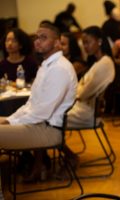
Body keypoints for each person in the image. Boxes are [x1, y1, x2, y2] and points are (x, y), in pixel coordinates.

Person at [0, 23, 77, 181]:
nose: (37, 41)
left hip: (47, 130)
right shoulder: (46, 66)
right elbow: (31, 104)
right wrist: (8, 119)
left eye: (43, 37)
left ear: (56, 43)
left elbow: (41, 113)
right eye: (36, 37)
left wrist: (11, 122)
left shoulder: (59, 69)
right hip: (39, 124)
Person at [60, 26, 115, 167]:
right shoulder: (98, 62)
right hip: (83, 108)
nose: (85, 46)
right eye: (83, 43)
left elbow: (82, 93)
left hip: (86, 113)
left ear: (100, 41)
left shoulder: (105, 63)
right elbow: (80, 89)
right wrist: (79, 89)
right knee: (46, 118)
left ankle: (68, 156)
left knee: (47, 121)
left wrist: (79, 89)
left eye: (88, 42)